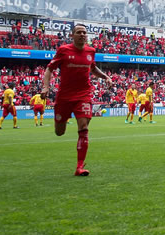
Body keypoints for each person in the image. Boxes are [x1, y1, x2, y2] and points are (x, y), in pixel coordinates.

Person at [41, 23, 112, 176]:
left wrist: (105, 76)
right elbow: (49, 69)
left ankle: (80, 167)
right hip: (65, 96)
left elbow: (92, 68)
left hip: (83, 95)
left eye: (84, 32)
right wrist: (45, 87)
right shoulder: (63, 50)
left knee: (83, 127)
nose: (82, 34)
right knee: (59, 132)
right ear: (72, 35)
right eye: (79, 32)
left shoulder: (91, 51)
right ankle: (60, 122)